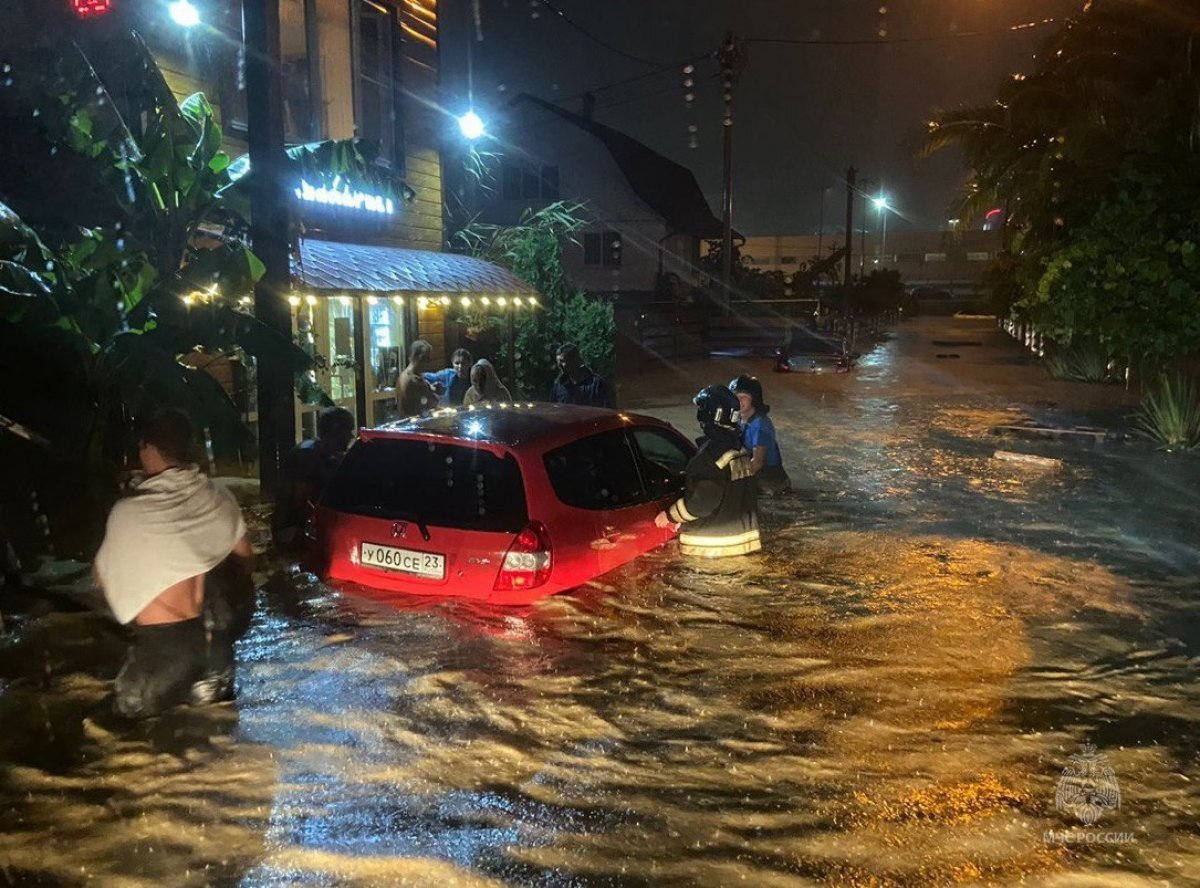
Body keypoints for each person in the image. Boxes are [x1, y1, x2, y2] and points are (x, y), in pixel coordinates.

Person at [93, 409, 254, 718]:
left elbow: (101, 580)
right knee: (219, 737)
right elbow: (246, 561)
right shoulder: (219, 497)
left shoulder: (130, 512)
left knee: (134, 741)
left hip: (163, 652)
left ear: (149, 448)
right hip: (217, 651)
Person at [655, 385, 761, 558]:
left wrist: (670, 516)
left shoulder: (709, 457)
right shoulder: (739, 450)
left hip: (712, 553)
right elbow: (730, 499)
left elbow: (702, 504)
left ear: (707, 413)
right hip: (744, 549)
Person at [272, 405, 355, 552]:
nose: (351, 437)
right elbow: (301, 503)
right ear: (335, 432)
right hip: (293, 532)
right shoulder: (306, 458)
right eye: (348, 431)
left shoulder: (329, 457)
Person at [730, 375, 791, 496]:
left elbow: (757, 463)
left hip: (771, 483)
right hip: (756, 477)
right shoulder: (739, 420)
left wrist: (730, 481)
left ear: (754, 399)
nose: (739, 401)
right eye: (736, 397)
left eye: (744, 397)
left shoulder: (760, 425)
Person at [552, 343, 615, 408]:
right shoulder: (559, 385)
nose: (559, 365)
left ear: (575, 360)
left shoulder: (597, 385)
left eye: (562, 361)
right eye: (558, 362)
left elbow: (607, 412)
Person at [397, 339, 438, 417]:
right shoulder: (411, 379)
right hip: (415, 423)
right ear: (418, 357)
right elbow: (424, 404)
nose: (429, 362)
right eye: (427, 358)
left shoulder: (408, 375)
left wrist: (431, 388)